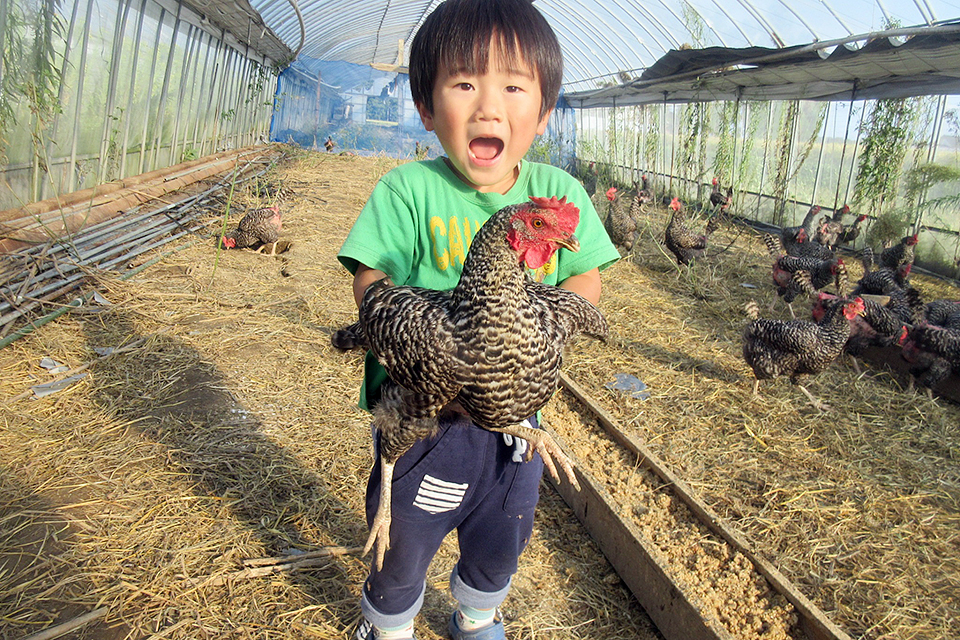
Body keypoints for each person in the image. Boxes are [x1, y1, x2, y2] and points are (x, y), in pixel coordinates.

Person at [337, 0, 620, 638]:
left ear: (544, 112)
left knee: (504, 531)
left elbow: (585, 278)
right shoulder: (407, 190)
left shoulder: (559, 192)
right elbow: (370, 281)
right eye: (465, 83)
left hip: (517, 420)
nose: (489, 105)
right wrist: (416, 340)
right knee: (404, 536)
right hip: (426, 418)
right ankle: (389, 619)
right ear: (427, 106)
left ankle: (478, 614)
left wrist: (539, 329)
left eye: (514, 87)